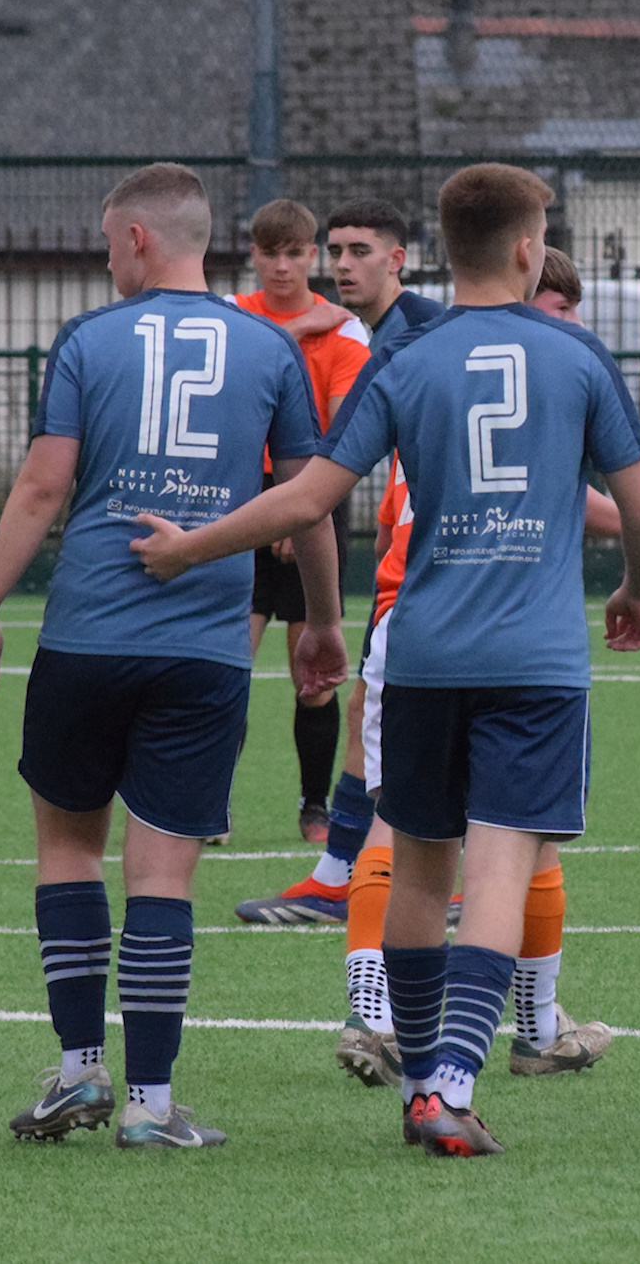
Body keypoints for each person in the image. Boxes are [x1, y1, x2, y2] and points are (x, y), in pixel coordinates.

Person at [135, 163, 640, 1158]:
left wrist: (188, 544)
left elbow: (306, 498)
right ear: (525, 249)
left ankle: (421, 1070)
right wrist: (633, 589)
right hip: (533, 659)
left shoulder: (402, 361)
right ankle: (453, 1079)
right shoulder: (578, 356)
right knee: (499, 864)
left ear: (442, 247)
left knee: (419, 865)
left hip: (417, 654)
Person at [0, 163, 345, 1150]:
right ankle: (151, 1107)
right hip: (203, 645)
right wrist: (320, 622)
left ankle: (80, 1071)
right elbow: (307, 499)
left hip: (87, 631)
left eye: (105, 241)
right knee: (163, 873)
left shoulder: (89, 337)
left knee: (67, 848)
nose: (105, 257)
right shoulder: (268, 345)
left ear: (134, 239)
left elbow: (44, 487)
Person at [234, 198, 443, 929]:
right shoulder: (386, 333)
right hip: (412, 557)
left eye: (361, 250)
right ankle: (337, 875)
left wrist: (192, 544)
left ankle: (434, 886)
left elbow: (321, 476)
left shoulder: (414, 334)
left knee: (404, 721)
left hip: (438, 562)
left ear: (400, 258)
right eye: (340, 250)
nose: (342, 264)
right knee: (367, 709)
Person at [232, 198, 369, 842]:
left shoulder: (345, 332)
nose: (282, 266)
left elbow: (341, 430)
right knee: (224, 664)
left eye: (295, 253)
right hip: (235, 502)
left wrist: (297, 509)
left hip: (312, 498)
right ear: (253, 254)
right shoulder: (231, 316)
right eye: (270, 252)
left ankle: (315, 807)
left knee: (312, 676)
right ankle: (208, 803)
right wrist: (295, 331)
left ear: (311, 255)